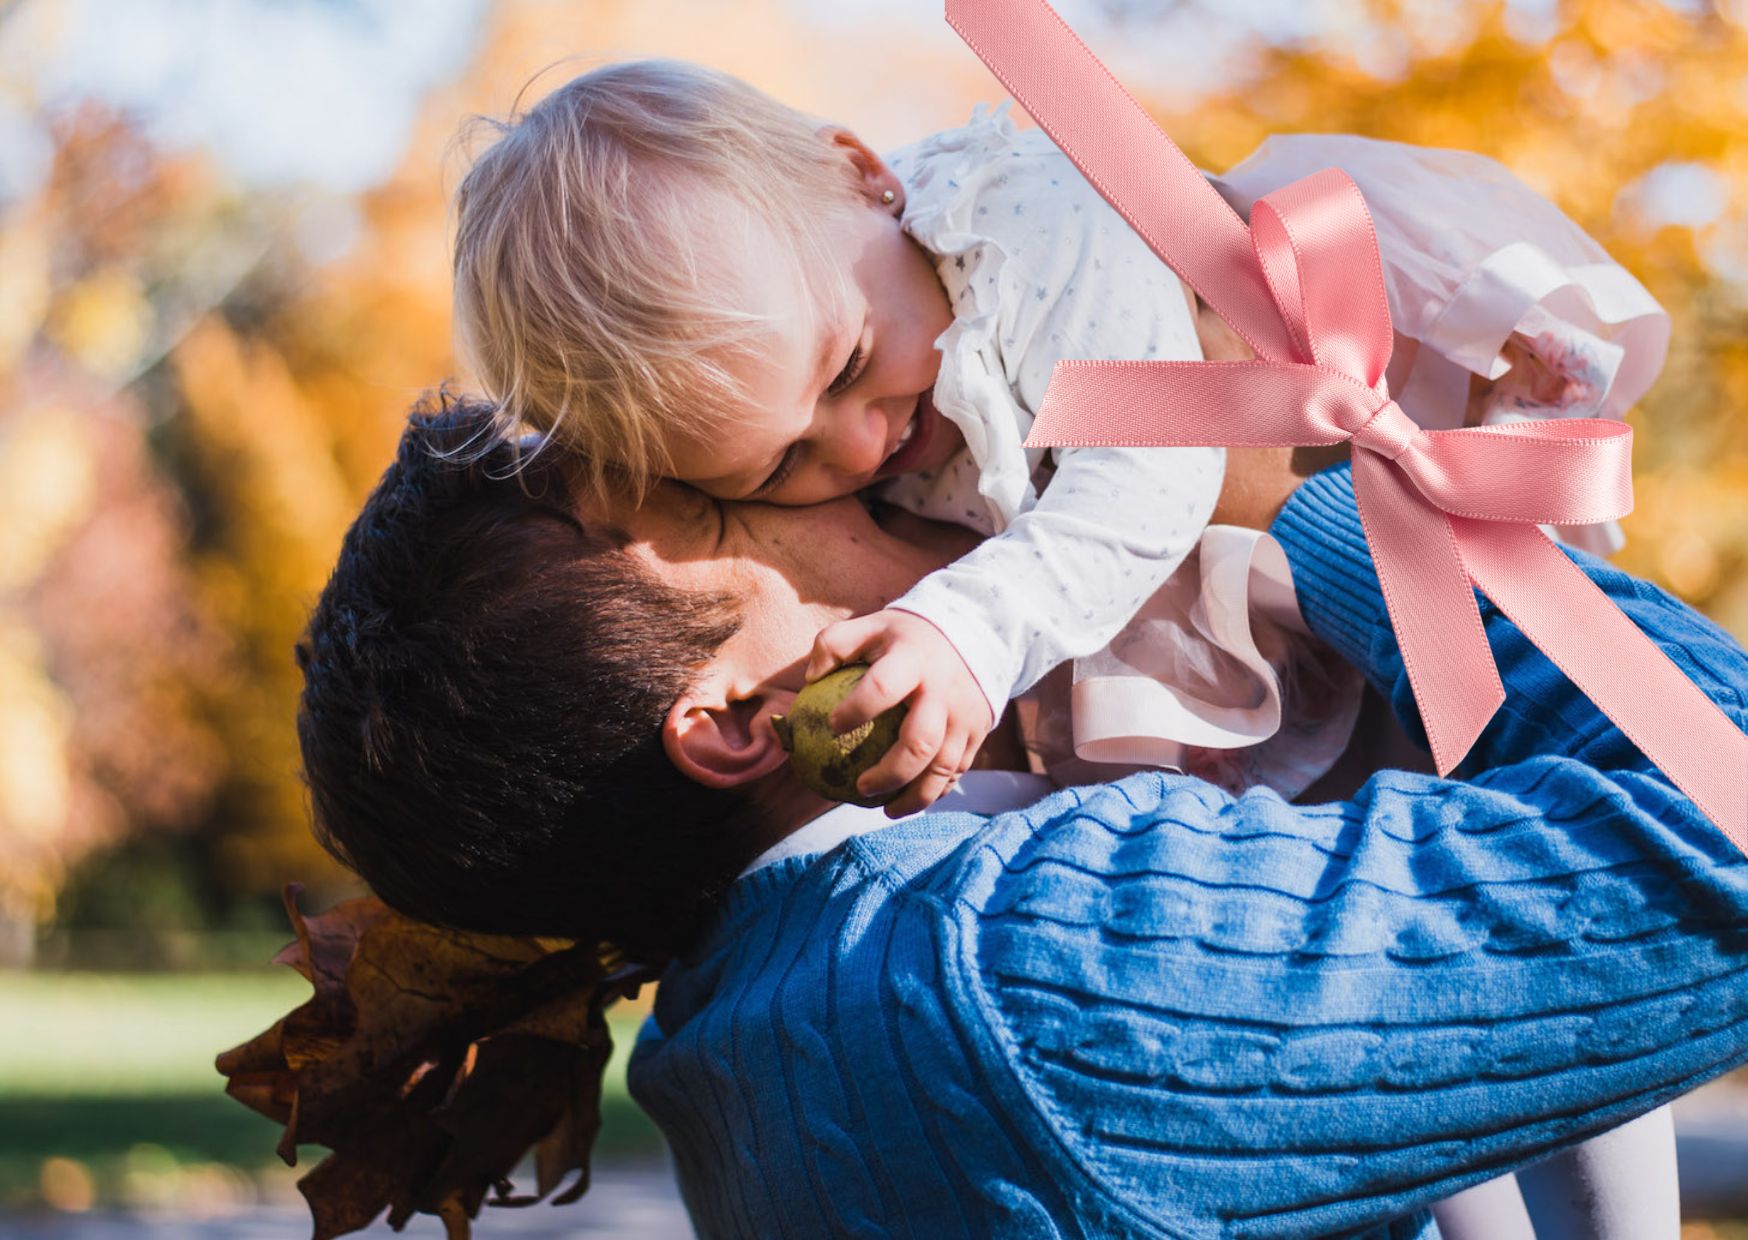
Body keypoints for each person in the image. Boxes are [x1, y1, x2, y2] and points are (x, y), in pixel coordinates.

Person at [296, 395, 1747, 1239]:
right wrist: (1350, 511)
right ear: (740, 721)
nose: (824, 445)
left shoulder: (765, 1023)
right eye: (715, 486)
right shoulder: (1022, 976)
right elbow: (1725, 822)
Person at [449, 61, 1669, 820]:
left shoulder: (1031, 221)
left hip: (1319, 463)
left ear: (861, 175)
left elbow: (1151, 468)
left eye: (846, 368)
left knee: (1518, 780)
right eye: (775, 468)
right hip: (1228, 582)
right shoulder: (864, 318)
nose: (862, 444)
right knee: (1422, 845)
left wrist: (966, 630)